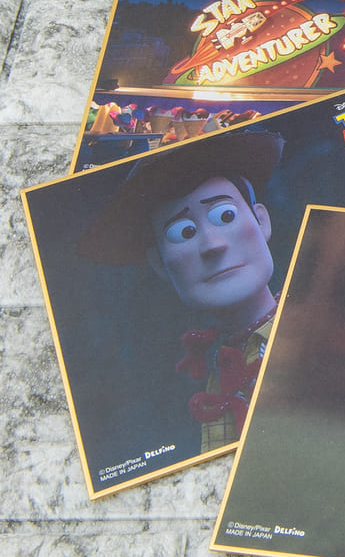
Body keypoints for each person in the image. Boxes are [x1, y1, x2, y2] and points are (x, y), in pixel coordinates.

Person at [83, 131, 284, 452]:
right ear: (160, 264)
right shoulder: (216, 368)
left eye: (225, 215)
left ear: (262, 221)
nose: (213, 244)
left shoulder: (312, 331)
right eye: (183, 232)